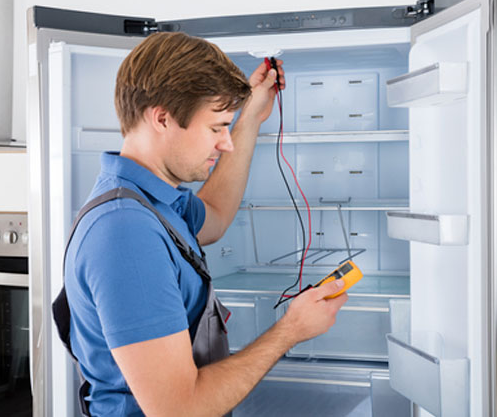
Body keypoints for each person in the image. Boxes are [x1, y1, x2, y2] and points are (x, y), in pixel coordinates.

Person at [60, 32, 348, 417]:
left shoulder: (151, 198)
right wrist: (290, 331)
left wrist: (250, 118)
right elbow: (179, 408)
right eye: (216, 128)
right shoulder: (125, 233)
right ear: (161, 117)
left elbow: (213, 215)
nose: (225, 143)